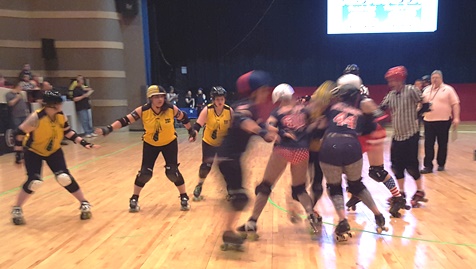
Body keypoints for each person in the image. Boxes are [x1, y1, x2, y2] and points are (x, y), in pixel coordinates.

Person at [237, 83, 321, 239]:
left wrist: (281, 131)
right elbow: (316, 122)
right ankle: (312, 215)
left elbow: (269, 126)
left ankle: (252, 222)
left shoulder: (278, 111)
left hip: (283, 150)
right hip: (302, 151)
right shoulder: (305, 109)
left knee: (266, 185)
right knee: (299, 189)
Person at [95, 85, 196, 212]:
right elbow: (125, 120)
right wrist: (109, 128)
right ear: (150, 98)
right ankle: (134, 198)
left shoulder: (171, 108)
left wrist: (190, 131)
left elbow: (184, 118)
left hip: (169, 143)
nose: (160, 99)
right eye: (157, 97)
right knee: (145, 174)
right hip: (150, 144)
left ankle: (184, 196)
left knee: (172, 172)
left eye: (162, 97)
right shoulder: (143, 110)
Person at [10, 91, 98, 225]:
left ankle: (84, 202)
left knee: (64, 177)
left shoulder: (60, 116)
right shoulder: (36, 118)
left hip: (53, 150)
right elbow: (19, 133)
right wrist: (18, 154)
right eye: (60, 103)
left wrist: (83, 142)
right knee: (34, 181)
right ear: (54, 105)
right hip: (34, 151)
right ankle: (17, 208)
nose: (61, 106)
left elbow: (67, 131)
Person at [315, 83, 387, 241]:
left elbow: (319, 127)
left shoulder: (332, 107)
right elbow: (373, 128)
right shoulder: (361, 112)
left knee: (334, 187)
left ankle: (342, 220)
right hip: (352, 146)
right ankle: (378, 215)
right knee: (356, 185)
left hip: (330, 145)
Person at [215, 70, 276, 249]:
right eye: (264, 90)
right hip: (228, 158)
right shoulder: (244, 106)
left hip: (231, 158)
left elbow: (259, 123)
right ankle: (227, 232)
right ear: (254, 91)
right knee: (240, 198)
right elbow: (244, 121)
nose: (267, 93)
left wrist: (279, 133)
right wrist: (262, 132)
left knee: (239, 197)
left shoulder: (252, 107)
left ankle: (228, 231)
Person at [340, 66, 407, 217]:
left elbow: (378, 115)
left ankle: (397, 197)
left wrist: (369, 121)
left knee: (375, 172)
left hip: (370, 133)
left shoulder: (359, 93)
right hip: (362, 133)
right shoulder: (353, 92)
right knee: (352, 167)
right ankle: (357, 194)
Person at [380, 66, 430, 207]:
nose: (390, 84)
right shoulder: (390, 95)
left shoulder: (411, 90)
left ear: (400, 79)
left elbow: (424, 101)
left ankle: (420, 191)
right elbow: (381, 108)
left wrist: (419, 114)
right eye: (389, 81)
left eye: (392, 80)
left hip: (411, 135)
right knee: (397, 166)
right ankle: (400, 193)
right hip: (397, 136)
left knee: (412, 166)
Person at [190, 86, 233, 201]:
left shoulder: (229, 111)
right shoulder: (207, 110)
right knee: (206, 166)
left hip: (223, 144)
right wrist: (193, 134)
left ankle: (231, 190)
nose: (220, 102)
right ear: (213, 100)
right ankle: (199, 185)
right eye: (217, 99)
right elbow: (198, 124)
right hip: (209, 142)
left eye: (222, 99)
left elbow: (234, 127)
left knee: (226, 167)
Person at [420, 70, 460, 173]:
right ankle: (428, 166)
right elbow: (421, 104)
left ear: (441, 78)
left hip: (443, 121)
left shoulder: (448, 89)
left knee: (442, 144)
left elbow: (455, 104)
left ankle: (441, 164)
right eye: (433, 78)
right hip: (428, 121)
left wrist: (456, 118)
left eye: (437, 77)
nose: (435, 79)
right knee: (428, 144)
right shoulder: (426, 90)